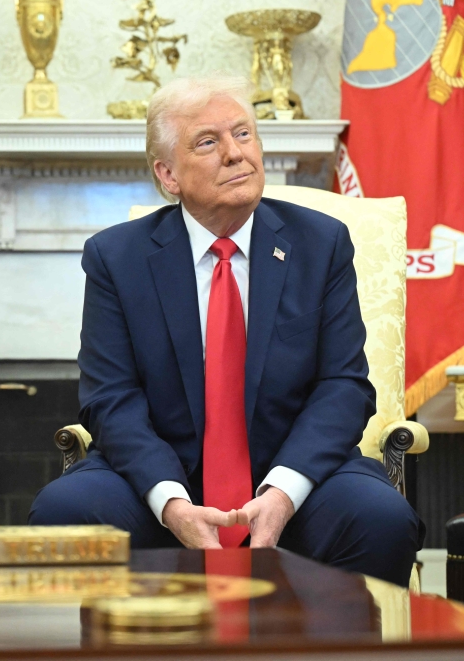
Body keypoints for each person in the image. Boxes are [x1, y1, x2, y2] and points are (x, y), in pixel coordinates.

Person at [29, 76, 423, 587]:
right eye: (209, 142)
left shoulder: (320, 243)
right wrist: (170, 502)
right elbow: (110, 398)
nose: (237, 154)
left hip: (295, 475)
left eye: (244, 134)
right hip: (160, 479)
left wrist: (282, 493)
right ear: (168, 175)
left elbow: (343, 387)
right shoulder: (116, 258)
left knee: (380, 518)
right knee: (67, 510)